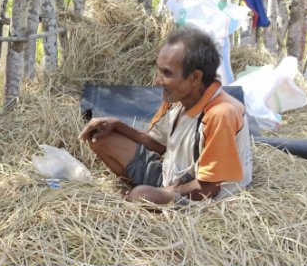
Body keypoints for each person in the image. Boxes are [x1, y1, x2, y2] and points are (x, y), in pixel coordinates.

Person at [79, 26, 252, 205]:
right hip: (170, 178)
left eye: (166, 73)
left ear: (195, 77)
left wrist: (162, 192)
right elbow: (157, 145)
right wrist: (117, 124)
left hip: (202, 196)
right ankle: (142, 194)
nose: (157, 80)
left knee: (141, 196)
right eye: (159, 70)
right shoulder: (177, 98)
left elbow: (209, 188)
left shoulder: (221, 113)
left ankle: (141, 196)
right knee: (99, 138)